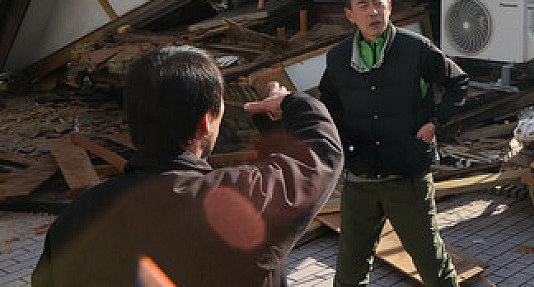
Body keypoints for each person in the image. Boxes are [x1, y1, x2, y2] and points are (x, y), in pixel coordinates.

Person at [32, 46, 343, 287]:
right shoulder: (242, 200)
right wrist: (289, 103)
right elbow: (320, 154)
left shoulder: (79, 217)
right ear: (205, 122)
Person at [319, 0, 468, 287]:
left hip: (407, 176)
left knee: (434, 269)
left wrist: (434, 123)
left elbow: (458, 83)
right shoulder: (338, 59)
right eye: (363, 5)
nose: (372, 11)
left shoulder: (416, 49)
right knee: (348, 275)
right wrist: (337, 147)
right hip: (359, 180)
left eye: (378, 2)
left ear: (389, 6)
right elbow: (328, 107)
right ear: (350, 15)